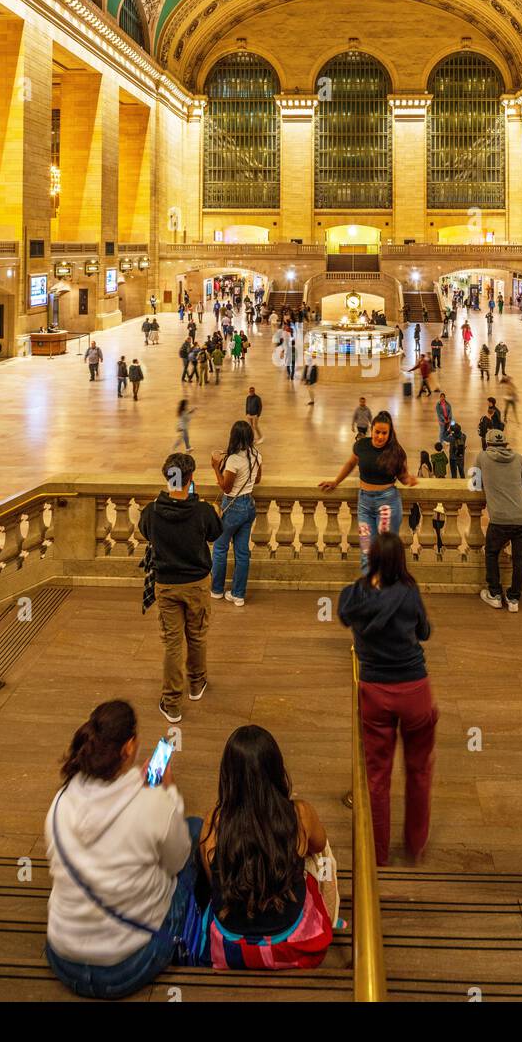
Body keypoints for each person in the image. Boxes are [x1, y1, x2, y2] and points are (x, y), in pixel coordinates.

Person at [43, 699, 198, 1000]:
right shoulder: (153, 804)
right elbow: (176, 862)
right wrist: (169, 795)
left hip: (62, 956)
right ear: (129, 748)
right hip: (128, 965)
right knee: (193, 830)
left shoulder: (60, 802)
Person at [339, 533, 438, 866]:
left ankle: (378, 854)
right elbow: (424, 632)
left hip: (375, 691)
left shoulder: (356, 595)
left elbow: (343, 611)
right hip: (414, 690)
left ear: (373, 561)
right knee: (419, 770)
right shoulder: (410, 594)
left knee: (377, 777)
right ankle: (415, 844)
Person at [200, 726, 335, 969]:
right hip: (293, 943)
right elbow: (320, 844)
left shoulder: (215, 822)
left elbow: (214, 882)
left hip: (231, 947)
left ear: (228, 776)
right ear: (276, 770)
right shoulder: (299, 814)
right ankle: (332, 914)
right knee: (321, 859)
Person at [139, 453, 223, 723]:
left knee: (172, 644)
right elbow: (215, 533)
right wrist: (216, 512)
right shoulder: (202, 511)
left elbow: (146, 532)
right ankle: (197, 684)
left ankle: (172, 703)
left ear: (168, 477)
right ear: (190, 479)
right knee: (197, 636)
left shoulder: (152, 512)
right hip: (197, 584)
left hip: (167, 585)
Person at [319, 412, 417, 570]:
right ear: (371, 430)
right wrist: (336, 481)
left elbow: (403, 477)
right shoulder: (361, 445)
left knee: (385, 551)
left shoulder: (396, 451)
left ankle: (385, 590)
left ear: (390, 433)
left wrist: (410, 480)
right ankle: (370, 588)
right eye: (377, 432)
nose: (379, 436)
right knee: (366, 550)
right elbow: (350, 464)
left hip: (387, 504)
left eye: (384, 433)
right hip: (364, 504)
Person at [475, 430, 522, 614]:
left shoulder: (483, 457)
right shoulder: (518, 458)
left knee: (491, 553)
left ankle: (495, 594)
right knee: (519, 559)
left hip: (499, 518)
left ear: (487, 443)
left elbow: (474, 484)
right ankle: (514, 598)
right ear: (506, 444)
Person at [210, 421, 262, 606]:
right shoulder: (256, 454)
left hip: (233, 508)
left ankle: (216, 590)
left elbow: (226, 487)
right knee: (242, 553)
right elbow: (258, 478)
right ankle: (238, 595)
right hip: (249, 505)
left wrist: (215, 466)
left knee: (220, 548)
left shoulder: (233, 460)